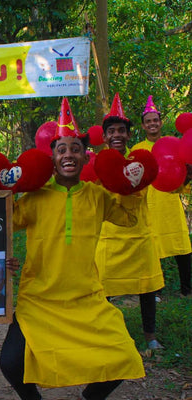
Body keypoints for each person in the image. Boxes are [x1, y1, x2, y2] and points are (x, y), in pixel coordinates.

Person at [0, 98, 145, 400]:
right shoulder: (35, 197)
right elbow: (4, 222)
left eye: (75, 149)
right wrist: (0, 257)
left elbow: (129, 219)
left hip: (86, 299)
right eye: (61, 149)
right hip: (38, 299)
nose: (68, 154)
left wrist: (132, 189)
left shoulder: (96, 195)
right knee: (10, 364)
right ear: (52, 158)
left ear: (84, 156)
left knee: (125, 358)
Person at [95, 93, 165, 350]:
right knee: (104, 291)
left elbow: (165, 183)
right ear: (104, 137)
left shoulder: (141, 161)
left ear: (128, 135)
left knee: (146, 289)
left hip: (139, 233)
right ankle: (106, 335)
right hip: (108, 236)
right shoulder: (96, 164)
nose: (117, 135)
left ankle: (150, 337)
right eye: (111, 130)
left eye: (122, 130)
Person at [132, 96, 192, 298]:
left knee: (182, 247)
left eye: (155, 120)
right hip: (149, 206)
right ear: (143, 125)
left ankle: (187, 289)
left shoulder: (174, 145)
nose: (152, 124)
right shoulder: (137, 149)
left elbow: (184, 178)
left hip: (171, 204)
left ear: (160, 122)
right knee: (151, 249)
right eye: (148, 121)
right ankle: (155, 291)